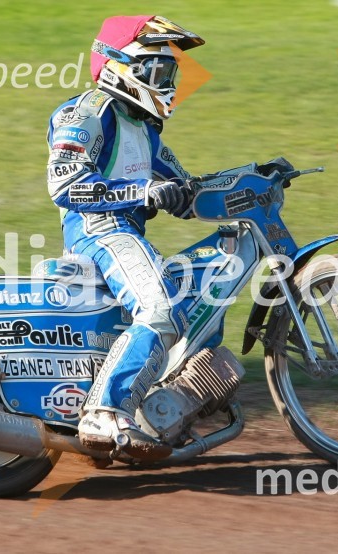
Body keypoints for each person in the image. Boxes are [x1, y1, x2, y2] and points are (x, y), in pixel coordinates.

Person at [45, 15, 204, 460]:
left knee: (202, 292)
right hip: (98, 229)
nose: (169, 82)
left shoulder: (144, 128)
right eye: (159, 72)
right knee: (161, 307)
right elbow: (65, 185)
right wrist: (143, 191)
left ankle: (162, 414)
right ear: (121, 65)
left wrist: (251, 180)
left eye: (170, 73)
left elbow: (188, 194)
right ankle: (105, 411)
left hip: (125, 231)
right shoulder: (88, 112)